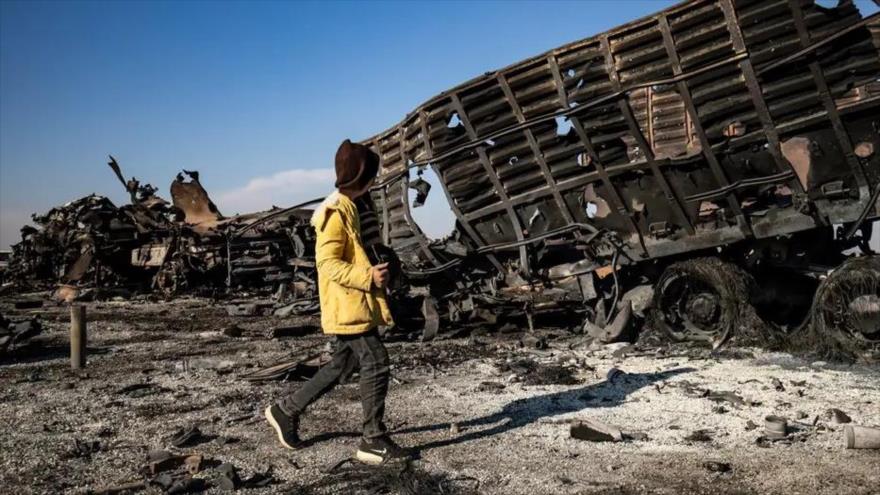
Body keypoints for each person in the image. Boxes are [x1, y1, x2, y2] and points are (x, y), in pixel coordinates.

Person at [265, 139, 411, 464]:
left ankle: (285, 411)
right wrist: (367, 278)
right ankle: (372, 440)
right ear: (364, 175)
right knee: (375, 359)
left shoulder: (354, 205)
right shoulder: (336, 211)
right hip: (347, 303)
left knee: (343, 363)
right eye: (372, 173)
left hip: (355, 302)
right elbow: (327, 264)